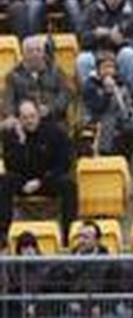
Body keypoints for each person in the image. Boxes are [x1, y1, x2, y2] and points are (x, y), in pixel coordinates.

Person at [0, 99, 76, 246]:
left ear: (38, 116)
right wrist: (21, 144)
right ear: (19, 119)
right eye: (25, 118)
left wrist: (41, 181)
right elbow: (11, 166)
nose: (29, 121)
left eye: (32, 116)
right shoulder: (12, 135)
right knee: (4, 181)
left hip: (47, 180)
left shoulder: (55, 132)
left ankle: (68, 235)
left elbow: (63, 164)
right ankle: (3, 233)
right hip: (23, 181)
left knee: (69, 185)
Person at [77, 0, 133, 87]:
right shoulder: (91, 11)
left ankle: (128, 95)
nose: (112, 1)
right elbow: (81, 37)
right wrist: (95, 35)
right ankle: (90, 98)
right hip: (97, 52)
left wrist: (122, 42)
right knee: (83, 60)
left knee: (129, 55)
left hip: (120, 54)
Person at [81, 50, 133, 158]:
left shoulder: (121, 83)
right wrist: (107, 93)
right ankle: (105, 155)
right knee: (109, 119)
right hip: (97, 120)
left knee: (132, 128)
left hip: (120, 120)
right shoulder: (90, 85)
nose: (108, 71)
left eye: (111, 67)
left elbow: (127, 107)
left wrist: (117, 93)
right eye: (105, 67)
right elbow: (97, 108)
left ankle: (126, 160)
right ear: (98, 69)